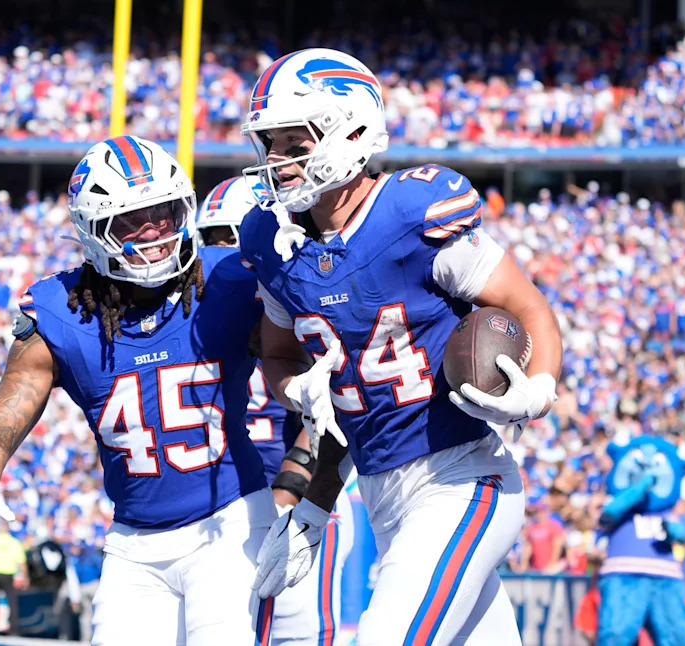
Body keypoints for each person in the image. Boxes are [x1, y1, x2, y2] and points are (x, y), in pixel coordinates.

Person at [238, 48, 563, 645]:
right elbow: (286, 361)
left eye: (295, 141)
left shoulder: (412, 213)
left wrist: (537, 389)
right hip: (382, 495)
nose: (278, 161)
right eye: (271, 143)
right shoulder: (272, 240)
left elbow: (529, 307)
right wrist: (311, 491)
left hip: (461, 479)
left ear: (352, 132)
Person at [0, 136, 275, 645]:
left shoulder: (229, 277)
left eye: (164, 212)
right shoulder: (61, 311)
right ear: (93, 230)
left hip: (230, 522)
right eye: (131, 220)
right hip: (133, 543)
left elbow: (308, 348)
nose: (155, 232)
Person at [197, 177, 355, 645]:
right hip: (230, 506)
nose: (224, 253)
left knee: (299, 633)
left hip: (305, 497)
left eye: (234, 237)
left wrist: (292, 484)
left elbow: (335, 404)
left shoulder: (300, 309)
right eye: (213, 240)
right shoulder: (202, 322)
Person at [0, 520, 27, 635]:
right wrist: (26, 577)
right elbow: (21, 562)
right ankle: (14, 629)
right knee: (12, 603)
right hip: (8, 574)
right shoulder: (14, 542)